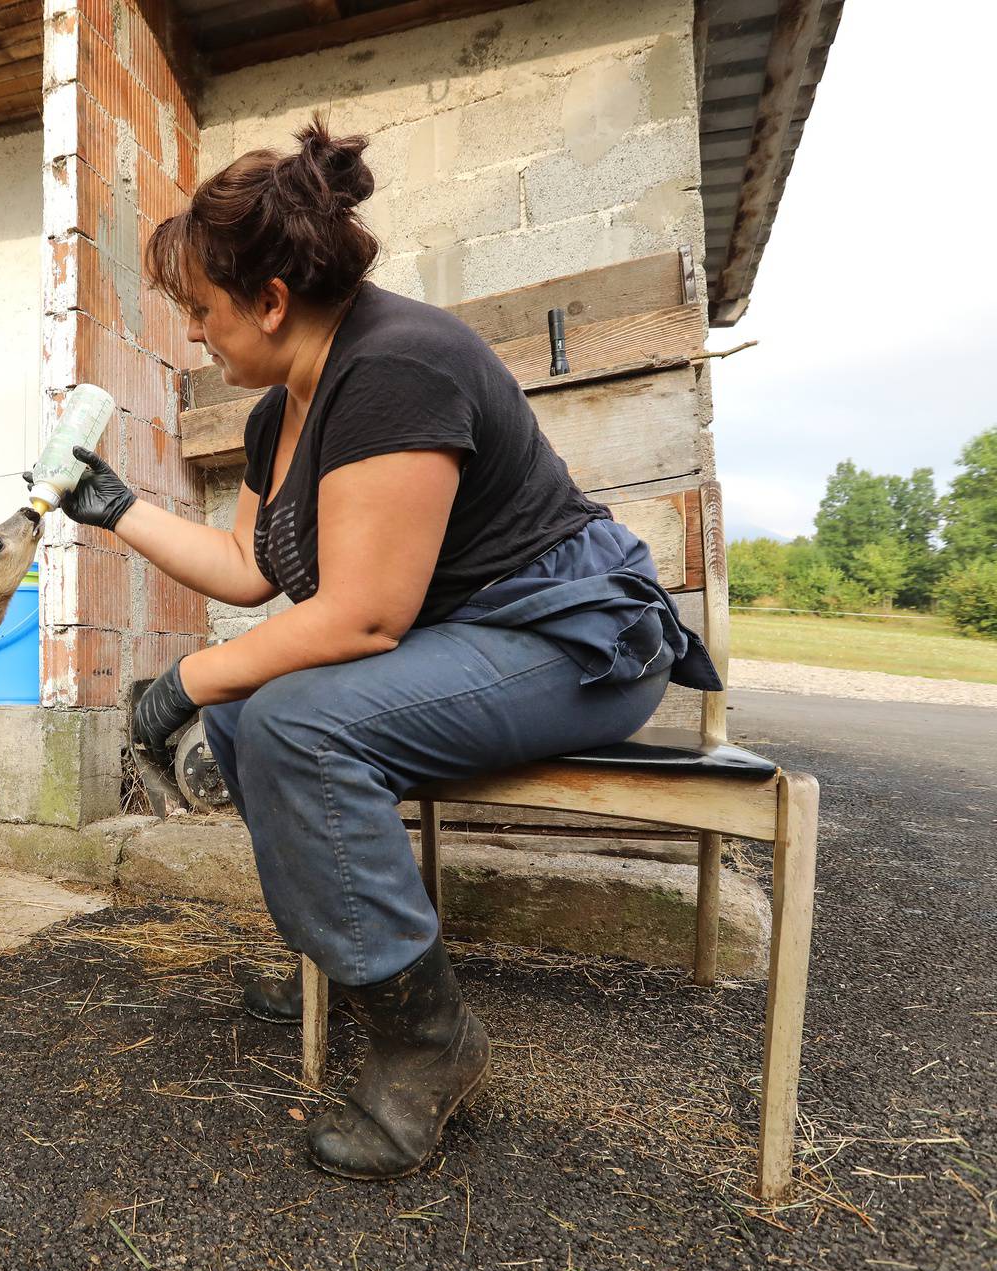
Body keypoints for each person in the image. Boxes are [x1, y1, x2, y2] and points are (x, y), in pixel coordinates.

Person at [37, 118, 720, 1182]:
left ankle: (429, 1041)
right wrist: (113, 505)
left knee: (295, 717)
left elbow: (361, 617)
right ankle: (337, 955)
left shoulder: (399, 363)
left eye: (203, 312)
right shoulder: (281, 413)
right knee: (249, 705)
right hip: (468, 636)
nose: (195, 337)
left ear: (268, 299)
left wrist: (179, 678)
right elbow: (247, 565)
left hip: (571, 632)